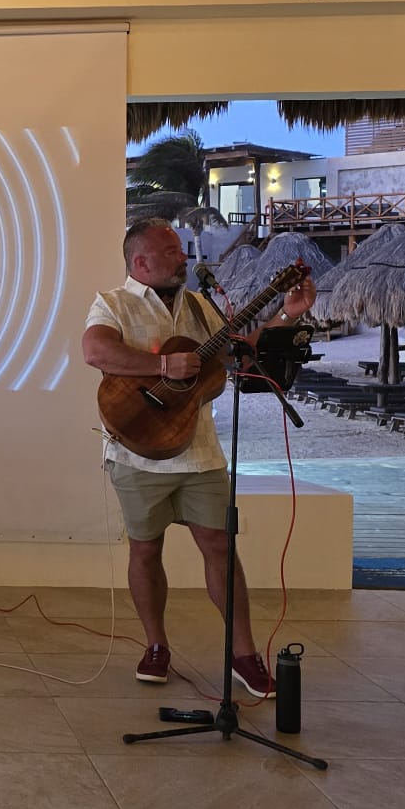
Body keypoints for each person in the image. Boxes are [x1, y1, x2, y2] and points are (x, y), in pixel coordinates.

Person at [81, 219, 315, 697]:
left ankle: (243, 655)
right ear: (140, 262)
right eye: (171, 251)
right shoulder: (113, 303)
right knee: (145, 550)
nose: (183, 257)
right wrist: (161, 364)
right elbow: (96, 350)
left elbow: (239, 356)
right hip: (136, 453)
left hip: (200, 451)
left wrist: (287, 316)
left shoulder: (201, 306)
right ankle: (155, 645)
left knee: (221, 549)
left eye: (181, 250)